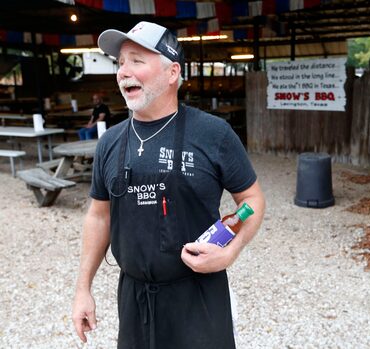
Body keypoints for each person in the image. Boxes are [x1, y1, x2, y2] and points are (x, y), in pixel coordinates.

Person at [72, 21, 265, 349]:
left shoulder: (213, 134)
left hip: (198, 295)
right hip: (134, 299)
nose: (124, 72)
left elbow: (253, 199)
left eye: (136, 60)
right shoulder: (110, 142)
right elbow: (99, 216)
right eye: (120, 63)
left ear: (172, 72)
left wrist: (231, 252)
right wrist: (82, 288)